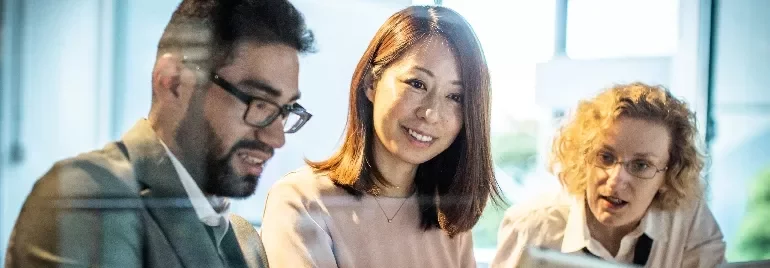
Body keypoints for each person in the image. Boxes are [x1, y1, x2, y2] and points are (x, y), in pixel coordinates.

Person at [5, 0, 315, 267]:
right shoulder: (90, 195)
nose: (276, 138)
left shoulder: (245, 241)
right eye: (259, 104)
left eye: (286, 110)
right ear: (173, 81)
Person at [260, 5, 501, 268]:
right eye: (417, 84)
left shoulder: (448, 220)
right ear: (371, 83)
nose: (431, 113)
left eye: (455, 97)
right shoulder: (303, 201)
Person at [491, 82, 726, 267]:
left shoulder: (689, 222)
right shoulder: (531, 225)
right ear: (583, 157)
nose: (616, 179)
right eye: (605, 157)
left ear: (668, 175)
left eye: (641, 165)